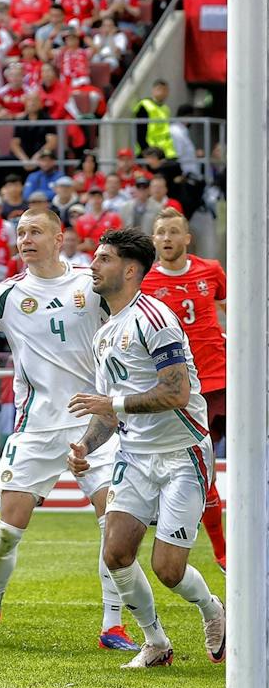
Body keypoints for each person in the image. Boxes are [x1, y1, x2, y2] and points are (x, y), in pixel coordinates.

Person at [0, 208, 134, 651]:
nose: (26, 239)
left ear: (59, 237)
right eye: (20, 233)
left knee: (115, 525)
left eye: (36, 231)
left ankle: (113, 624)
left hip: (97, 423)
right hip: (36, 426)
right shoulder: (5, 295)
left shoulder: (92, 281)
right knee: (8, 530)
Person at [66, 229, 224, 669]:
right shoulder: (105, 332)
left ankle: (212, 609)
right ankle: (156, 643)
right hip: (134, 456)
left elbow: (176, 392)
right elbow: (108, 411)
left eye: (103, 259)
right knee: (116, 553)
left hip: (181, 455)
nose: (92, 266)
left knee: (169, 569)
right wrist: (84, 444)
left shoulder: (154, 319)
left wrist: (110, 403)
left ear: (130, 270)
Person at [141, 211, 227, 571]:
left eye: (173, 231)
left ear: (187, 238)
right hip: (183, 390)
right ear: (154, 240)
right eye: (161, 232)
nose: (167, 238)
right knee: (203, 470)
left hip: (222, 378)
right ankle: (223, 553)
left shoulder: (211, 270)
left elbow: (228, 305)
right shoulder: (144, 282)